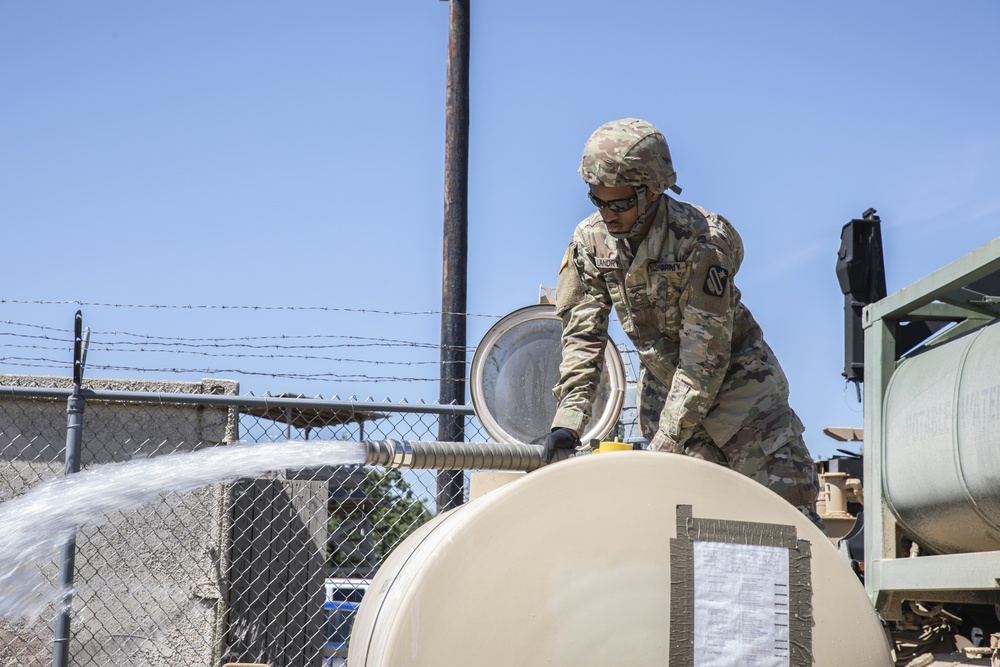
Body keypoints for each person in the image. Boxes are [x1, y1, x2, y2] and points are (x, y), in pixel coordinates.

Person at [545, 117, 820, 522]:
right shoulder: (590, 243)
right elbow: (584, 336)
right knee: (687, 545)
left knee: (788, 532)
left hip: (744, 405)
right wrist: (568, 421)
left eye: (619, 203)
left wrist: (666, 444)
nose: (607, 214)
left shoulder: (701, 241)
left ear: (652, 190)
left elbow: (702, 361)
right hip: (667, 405)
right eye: (597, 201)